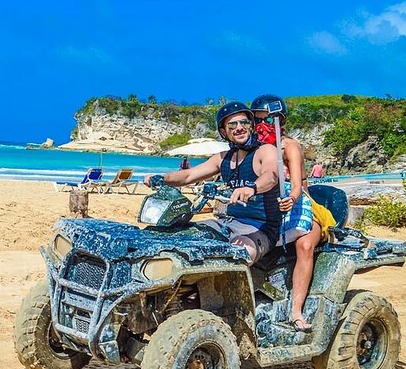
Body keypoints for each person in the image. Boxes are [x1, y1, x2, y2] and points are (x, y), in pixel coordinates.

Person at [144, 101, 280, 264]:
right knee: (175, 237)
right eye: (232, 125)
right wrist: (161, 178)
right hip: (226, 222)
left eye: (243, 122)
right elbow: (188, 176)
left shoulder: (265, 151)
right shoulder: (223, 158)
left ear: (251, 125)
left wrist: (252, 188)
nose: (239, 127)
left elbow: (271, 175)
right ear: (224, 132)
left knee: (240, 255)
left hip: (260, 227)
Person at [250, 94, 335, 333]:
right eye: (258, 120)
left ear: (280, 121)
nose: (263, 125)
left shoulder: (289, 146)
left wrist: (292, 198)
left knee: (305, 246)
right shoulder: (254, 149)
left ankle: (296, 311)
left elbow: (297, 184)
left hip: (301, 206)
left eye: (268, 120)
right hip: (268, 207)